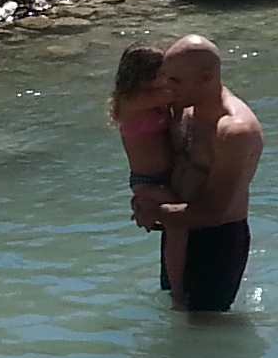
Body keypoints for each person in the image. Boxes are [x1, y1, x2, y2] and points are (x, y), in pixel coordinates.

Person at [135, 34, 265, 313]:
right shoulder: (184, 106)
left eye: (175, 80)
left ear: (206, 78)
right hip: (177, 226)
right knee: (176, 311)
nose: (167, 86)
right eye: (166, 77)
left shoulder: (233, 130)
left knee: (206, 324)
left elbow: (215, 210)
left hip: (216, 240)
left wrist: (154, 211)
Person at [109, 43, 187, 301]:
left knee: (179, 226)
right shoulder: (131, 101)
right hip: (148, 181)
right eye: (163, 74)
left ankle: (176, 282)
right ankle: (177, 291)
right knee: (178, 227)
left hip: (165, 178)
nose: (168, 79)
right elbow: (179, 92)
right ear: (143, 76)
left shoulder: (153, 99)